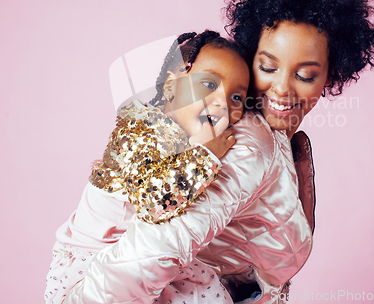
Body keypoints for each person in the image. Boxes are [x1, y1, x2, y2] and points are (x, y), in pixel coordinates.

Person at [56, 0, 374, 304]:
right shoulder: (247, 141)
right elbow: (157, 246)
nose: (282, 89)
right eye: (268, 67)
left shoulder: (274, 138)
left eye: (305, 76)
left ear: (330, 77)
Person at [45, 30, 250, 304]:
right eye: (209, 84)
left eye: (237, 97)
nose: (222, 101)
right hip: (90, 264)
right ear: (169, 86)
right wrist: (204, 155)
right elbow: (153, 202)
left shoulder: (185, 137)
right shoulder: (140, 129)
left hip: (137, 257)